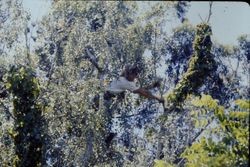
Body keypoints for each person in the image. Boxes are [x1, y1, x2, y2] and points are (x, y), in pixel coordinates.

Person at [100, 64, 164, 149]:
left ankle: (106, 139)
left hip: (105, 100)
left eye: (136, 76)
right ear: (130, 73)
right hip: (106, 102)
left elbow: (139, 89)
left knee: (111, 123)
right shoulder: (125, 82)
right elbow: (142, 92)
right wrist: (157, 98)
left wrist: (152, 86)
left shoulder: (122, 79)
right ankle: (105, 141)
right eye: (134, 75)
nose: (135, 78)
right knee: (109, 124)